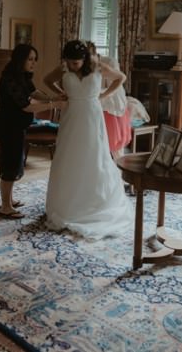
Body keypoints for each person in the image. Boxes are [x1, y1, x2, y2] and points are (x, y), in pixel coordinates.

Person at [43, 40, 133, 237]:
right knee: (69, 157)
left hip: (92, 114)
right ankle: (67, 206)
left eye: (76, 62)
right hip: (71, 115)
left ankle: (95, 204)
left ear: (84, 59)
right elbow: (47, 80)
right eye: (69, 61)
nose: (72, 65)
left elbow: (121, 77)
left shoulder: (97, 66)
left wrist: (104, 94)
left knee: (94, 156)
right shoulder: (64, 68)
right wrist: (61, 93)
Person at [0, 44, 64, 219]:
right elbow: (26, 106)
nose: (33, 63)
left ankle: (8, 200)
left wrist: (52, 97)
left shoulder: (21, 76)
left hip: (16, 126)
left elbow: (34, 92)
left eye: (35, 59)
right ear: (20, 59)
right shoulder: (10, 79)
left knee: (14, 162)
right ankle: (5, 208)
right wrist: (54, 104)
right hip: (8, 126)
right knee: (10, 166)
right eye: (30, 59)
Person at [98, 56, 132, 158]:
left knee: (114, 143)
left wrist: (102, 95)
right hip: (103, 106)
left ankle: (117, 163)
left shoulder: (109, 62)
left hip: (112, 108)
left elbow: (119, 80)